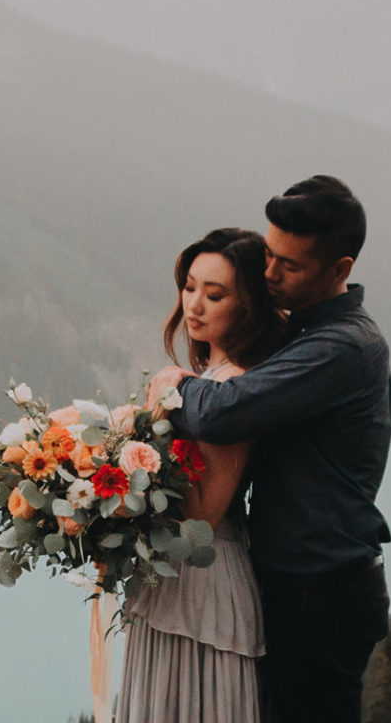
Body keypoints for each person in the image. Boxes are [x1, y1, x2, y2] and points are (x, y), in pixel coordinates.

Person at [147, 175, 391, 723]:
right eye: (269, 255)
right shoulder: (304, 335)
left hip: (322, 592)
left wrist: (170, 384)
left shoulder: (340, 346)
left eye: (290, 264)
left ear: (341, 270)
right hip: (305, 584)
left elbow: (222, 411)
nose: (269, 272)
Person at [116, 227, 289, 723]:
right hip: (177, 583)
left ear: (248, 306)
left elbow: (203, 515)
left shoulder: (232, 388)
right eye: (190, 287)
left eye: (215, 295)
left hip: (204, 584)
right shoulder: (206, 380)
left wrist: (141, 449)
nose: (194, 304)